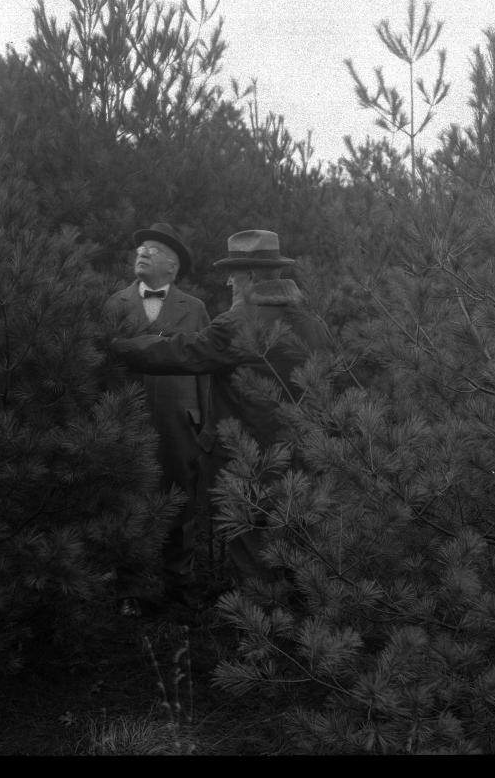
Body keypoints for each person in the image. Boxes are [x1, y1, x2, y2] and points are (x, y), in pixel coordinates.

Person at [111, 229, 330, 586]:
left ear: (250, 277)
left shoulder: (237, 323)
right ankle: (301, 632)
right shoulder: (314, 324)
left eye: (234, 273)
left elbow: (182, 353)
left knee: (254, 559)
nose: (228, 281)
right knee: (301, 555)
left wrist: (119, 346)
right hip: (307, 460)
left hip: (249, 462)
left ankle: (263, 636)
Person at [106, 222, 210, 615]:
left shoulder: (195, 308)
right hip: (127, 419)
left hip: (179, 422)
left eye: (153, 250)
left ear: (173, 267)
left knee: (179, 502)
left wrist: (204, 420)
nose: (142, 253)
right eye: (140, 249)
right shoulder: (114, 305)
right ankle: (128, 591)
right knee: (127, 501)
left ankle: (179, 588)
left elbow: (205, 366)